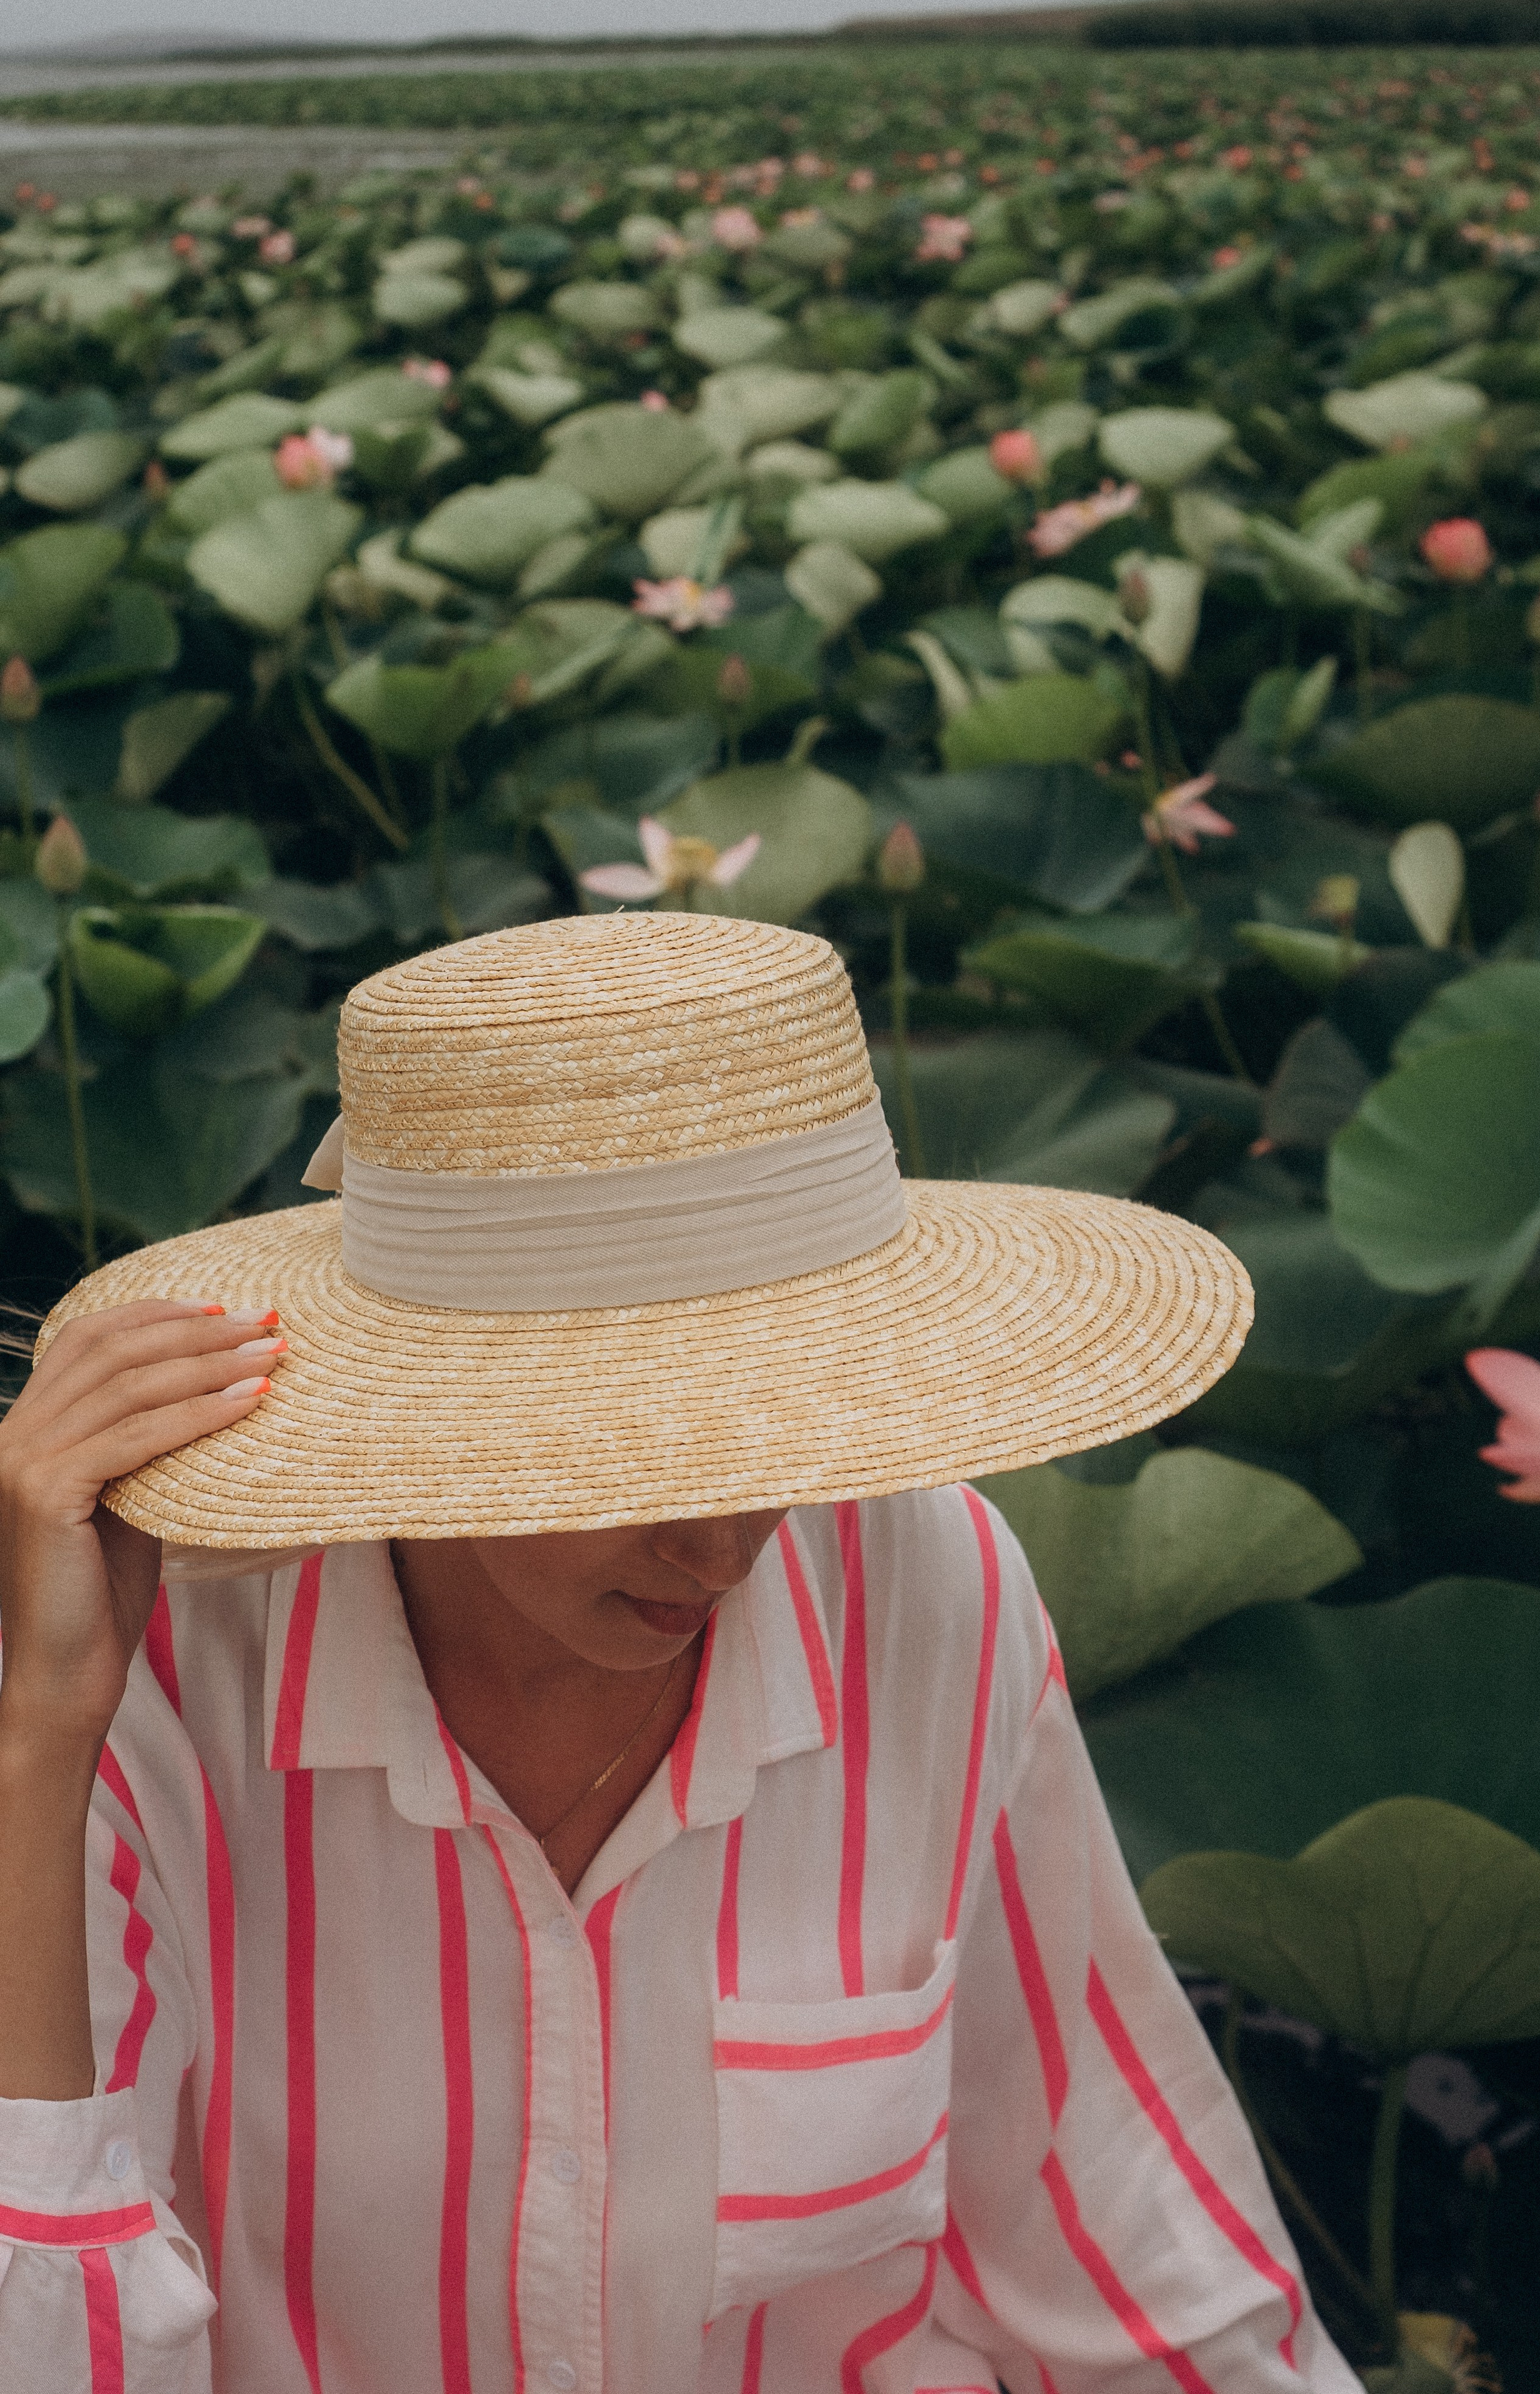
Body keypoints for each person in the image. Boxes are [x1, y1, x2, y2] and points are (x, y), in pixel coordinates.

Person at [0, 911, 1359, 2394]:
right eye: (624, 1456)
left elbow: (1122, 2231)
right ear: (424, 1401)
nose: (722, 1551)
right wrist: (36, 1737)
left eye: (780, 1424)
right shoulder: (161, 1675)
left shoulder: (924, 1577)